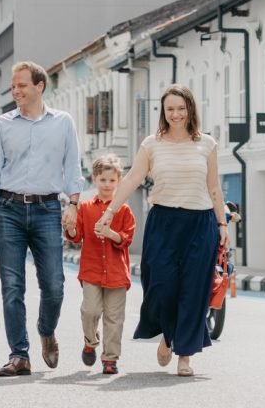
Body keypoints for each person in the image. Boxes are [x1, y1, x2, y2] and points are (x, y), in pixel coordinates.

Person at [96, 83, 228, 378]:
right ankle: (168, 336)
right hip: (164, 223)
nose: (176, 114)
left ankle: (185, 355)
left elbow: (214, 187)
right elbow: (131, 179)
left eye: (181, 108)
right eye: (170, 109)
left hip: (200, 223)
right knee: (161, 285)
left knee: (193, 291)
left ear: (190, 109)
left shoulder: (206, 144)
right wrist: (109, 211)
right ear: (163, 112)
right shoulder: (151, 144)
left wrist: (222, 224)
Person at [0, 60, 83, 377]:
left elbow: (72, 166)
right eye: (13, 86)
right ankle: (19, 355)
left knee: (54, 285)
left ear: (40, 86)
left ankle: (46, 330)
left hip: (47, 208)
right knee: (12, 286)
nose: (16, 91)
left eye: (22, 85)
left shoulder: (63, 122)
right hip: (7, 209)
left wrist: (73, 204)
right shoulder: (1, 124)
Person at [65, 154, 136, 376]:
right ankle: (90, 342)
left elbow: (127, 239)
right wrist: (70, 227)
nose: (107, 184)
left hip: (117, 273)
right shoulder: (85, 207)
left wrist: (110, 233)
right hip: (91, 270)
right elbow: (76, 236)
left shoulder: (124, 210)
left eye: (112, 180)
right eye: (102, 180)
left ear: (119, 181)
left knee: (115, 318)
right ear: (94, 179)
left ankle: (110, 359)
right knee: (90, 311)